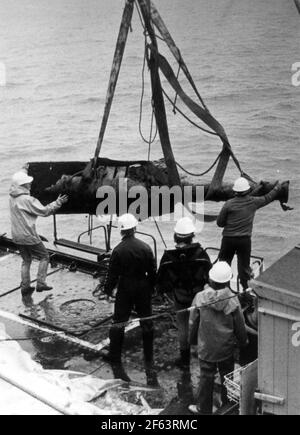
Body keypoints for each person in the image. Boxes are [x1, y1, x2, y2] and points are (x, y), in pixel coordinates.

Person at [103, 213, 158, 386]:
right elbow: (153, 271)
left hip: (125, 288)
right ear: (134, 228)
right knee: (147, 323)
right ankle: (149, 359)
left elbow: (112, 275)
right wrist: (151, 287)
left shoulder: (118, 250)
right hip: (142, 287)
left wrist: (107, 290)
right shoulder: (145, 247)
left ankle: (114, 356)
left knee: (118, 322)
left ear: (121, 231)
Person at [188, 261, 248, 415]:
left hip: (206, 347)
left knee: (206, 378)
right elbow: (240, 325)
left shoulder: (200, 297)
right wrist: (243, 341)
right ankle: (227, 405)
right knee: (226, 376)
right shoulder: (233, 300)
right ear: (228, 280)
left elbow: (193, 323)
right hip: (225, 348)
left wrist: (192, 341)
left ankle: (203, 409)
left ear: (211, 279)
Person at [156, 217, 212, 370]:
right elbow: (210, 275)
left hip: (180, 297)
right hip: (198, 298)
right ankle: (204, 359)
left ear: (176, 236)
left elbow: (161, 280)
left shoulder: (168, 257)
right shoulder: (201, 254)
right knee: (202, 326)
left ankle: (185, 361)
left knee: (183, 327)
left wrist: (167, 291)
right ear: (191, 235)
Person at [9, 170, 68, 296]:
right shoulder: (28, 200)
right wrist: (58, 202)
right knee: (44, 256)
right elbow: (45, 211)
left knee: (26, 260)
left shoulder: (12, 197)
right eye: (28, 183)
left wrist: (25, 169)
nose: (30, 184)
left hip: (16, 235)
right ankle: (40, 283)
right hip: (28, 235)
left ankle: (25, 286)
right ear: (23, 185)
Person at [217, 177, 282, 291]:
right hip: (244, 241)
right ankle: (246, 293)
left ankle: (223, 290)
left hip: (228, 240)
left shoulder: (228, 204)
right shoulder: (253, 202)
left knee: (223, 265)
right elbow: (268, 198)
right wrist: (277, 188)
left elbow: (220, 223)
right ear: (247, 191)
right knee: (244, 270)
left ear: (235, 191)